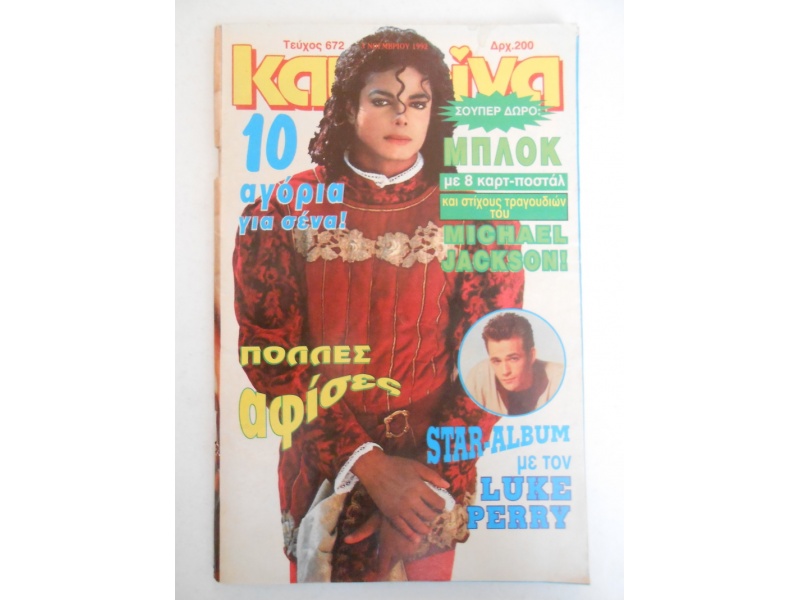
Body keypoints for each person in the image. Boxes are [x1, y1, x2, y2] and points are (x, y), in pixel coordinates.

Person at [233, 27, 524, 582]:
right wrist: (368, 467)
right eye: (384, 99)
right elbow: (270, 355)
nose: (402, 116)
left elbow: (490, 364)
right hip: (322, 466)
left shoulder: (480, 215)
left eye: (418, 102)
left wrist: (419, 500)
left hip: (435, 471)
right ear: (349, 106)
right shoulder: (281, 208)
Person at [466, 312, 563, 416]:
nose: (505, 371)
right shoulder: (477, 377)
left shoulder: (560, 378)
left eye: (513, 359)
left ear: (531, 356)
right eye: (497, 361)